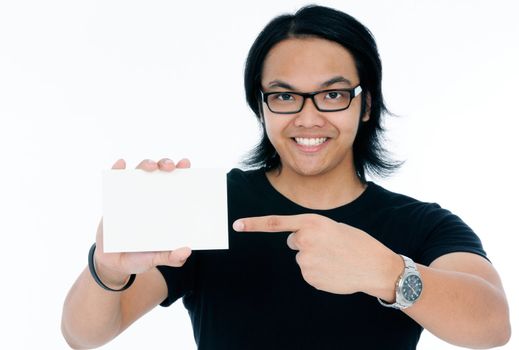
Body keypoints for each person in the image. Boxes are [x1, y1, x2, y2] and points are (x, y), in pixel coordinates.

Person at [61, 5, 511, 349]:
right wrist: (107, 268)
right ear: (262, 107)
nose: (308, 117)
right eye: (284, 96)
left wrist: (388, 273)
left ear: (366, 104)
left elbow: (493, 325)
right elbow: (85, 335)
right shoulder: (210, 206)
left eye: (333, 94)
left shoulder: (422, 225)